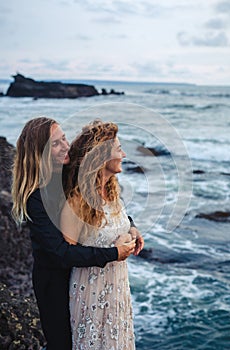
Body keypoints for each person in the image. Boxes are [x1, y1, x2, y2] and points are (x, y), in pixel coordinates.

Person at [11, 117, 138, 350]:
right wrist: (113, 253)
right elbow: (61, 253)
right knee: (64, 344)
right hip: (55, 283)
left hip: (88, 276)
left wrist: (130, 225)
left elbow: (104, 209)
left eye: (64, 139)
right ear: (41, 153)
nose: (66, 146)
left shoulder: (69, 172)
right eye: (56, 144)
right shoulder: (36, 197)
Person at [61, 119, 142, 349]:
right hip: (91, 295)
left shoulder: (113, 192)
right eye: (118, 149)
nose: (124, 154)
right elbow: (67, 254)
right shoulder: (77, 200)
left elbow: (118, 224)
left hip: (118, 290)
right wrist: (113, 251)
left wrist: (132, 230)